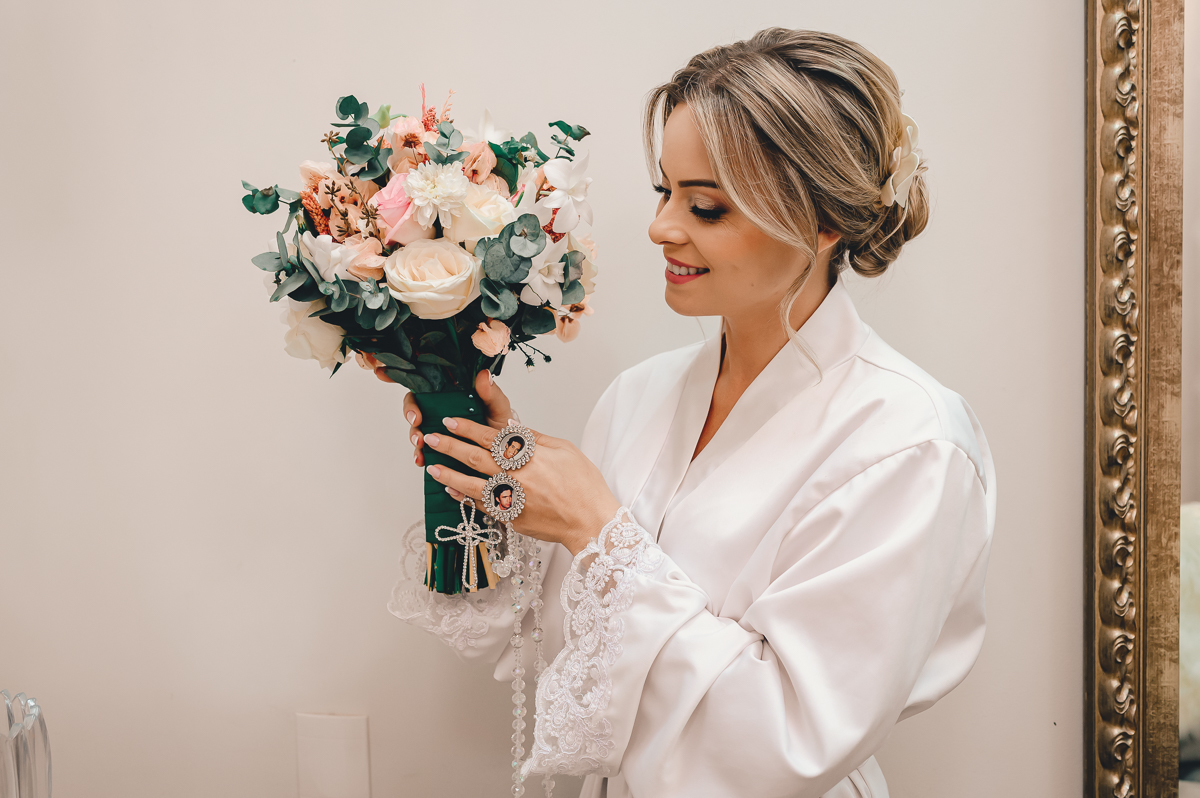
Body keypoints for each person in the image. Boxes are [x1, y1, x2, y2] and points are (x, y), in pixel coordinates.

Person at [388, 27, 995, 798]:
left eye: (706, 206)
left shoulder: (910, 445)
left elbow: (789, 741)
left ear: (825, 221)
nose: (662, 227)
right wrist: (487, 480)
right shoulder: (641, 395)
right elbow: (567, 646)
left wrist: (595, 529)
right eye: (664, 192)